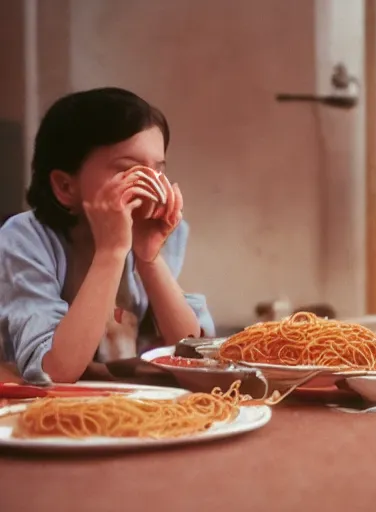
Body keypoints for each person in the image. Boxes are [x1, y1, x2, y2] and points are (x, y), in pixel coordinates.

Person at [0, 87, 215, 383]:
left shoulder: (161, 232)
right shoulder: (25, 238)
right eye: (129, 171)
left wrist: (149, 259)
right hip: (46, 414)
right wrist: (111, 252)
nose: (150, 186)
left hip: (129, 407)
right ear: (65, 186)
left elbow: (196, 356)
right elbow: (55, 372)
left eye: (158, 171)